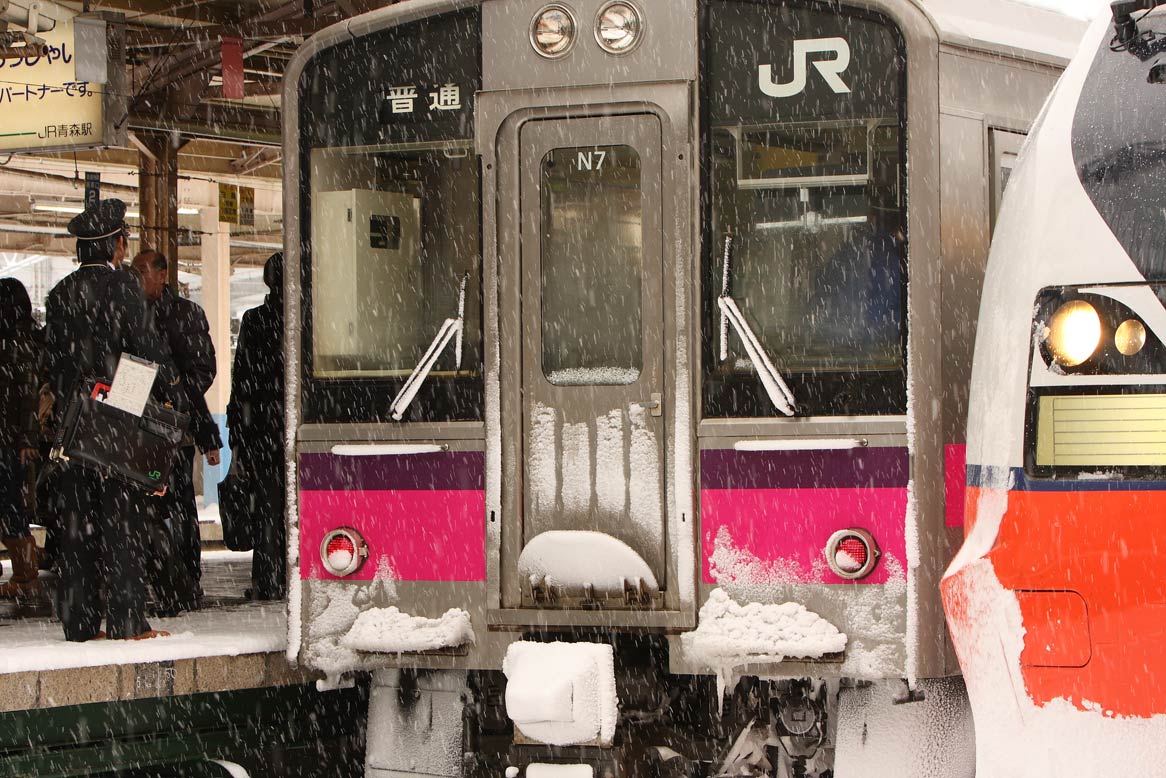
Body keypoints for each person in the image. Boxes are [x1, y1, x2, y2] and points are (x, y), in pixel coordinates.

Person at [44, 198, 179, 641]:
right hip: (114, 424)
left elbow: (54, 362)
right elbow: (144, 352)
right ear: (118, 246)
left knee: (76, 528)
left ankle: (79, 623)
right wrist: (137, 405)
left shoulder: (61, 293)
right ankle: (127, 620)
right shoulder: (123, 287)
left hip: (73, 427)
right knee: (124, 525)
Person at [132, 250, 222, 604]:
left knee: (179, 507)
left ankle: (184, 581)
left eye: (143, 271)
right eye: (134, 271)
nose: (137, 278)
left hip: (175, 431)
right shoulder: (131, 313)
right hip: (138, 429)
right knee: (149, 508)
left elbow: (203, 372)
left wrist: (172, 400)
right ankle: (160, 578)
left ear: (163, 275)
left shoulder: (185, 314)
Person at [228, 252, 286, 600]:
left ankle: (268, 581)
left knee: (268, 509)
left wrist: (240, 434)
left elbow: (243, 382)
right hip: (294, 427)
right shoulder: (309, 319)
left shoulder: (255, 321)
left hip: (263, 431)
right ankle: (296, 577)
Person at [0, 278, 43, 599]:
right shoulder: (16, 341)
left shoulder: (19, 344)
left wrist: (27, 438)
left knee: (11, 506)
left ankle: (27, 575)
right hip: (10, 439)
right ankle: (25, 573)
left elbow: (28, 394)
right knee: (10, 505)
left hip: (11, 441)